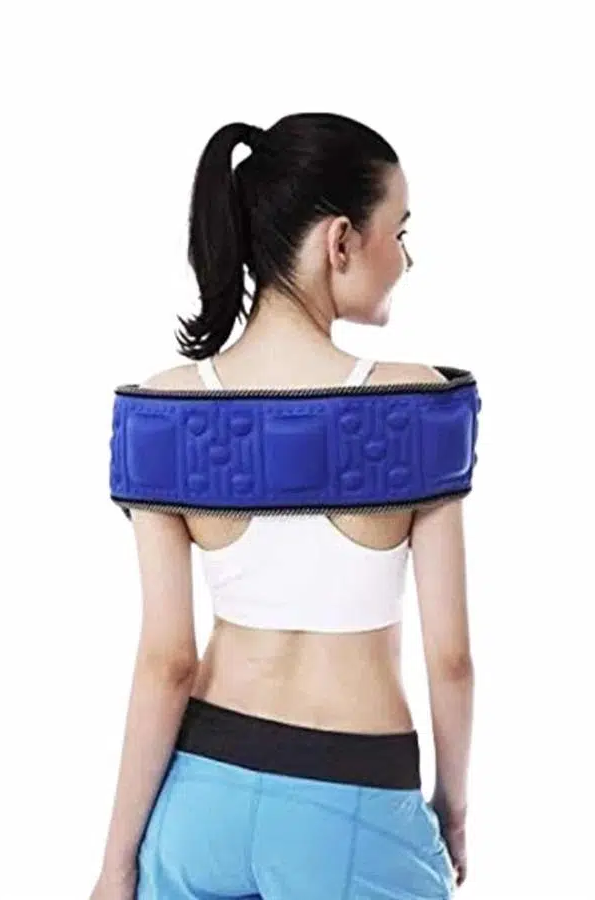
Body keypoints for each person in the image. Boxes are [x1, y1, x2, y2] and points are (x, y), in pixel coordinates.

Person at [91, 112, 473, 900]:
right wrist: (452, 810)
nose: (405, 257)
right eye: (399, 231)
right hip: (354, 803)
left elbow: (167, 662)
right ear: (341, 242)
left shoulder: (164, 409)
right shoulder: (417, 406)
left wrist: (116, 863)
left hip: (199, 802)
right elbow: (451, 661)